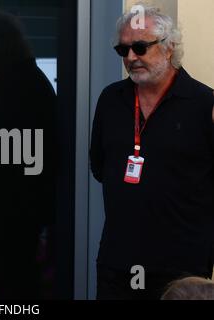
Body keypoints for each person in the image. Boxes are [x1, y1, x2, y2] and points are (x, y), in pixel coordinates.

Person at [90, 5, 214, 300]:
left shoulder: (203, 104)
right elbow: (99, 167)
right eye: (123, 49)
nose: (131, 58)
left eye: (141, 47)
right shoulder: (111, 99)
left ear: (169, 47)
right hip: (118, 262)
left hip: (182, 269)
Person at [0, 12, 56, 299]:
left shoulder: (19, 86)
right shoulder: (20, 81)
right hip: (13, 204)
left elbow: (6, 150)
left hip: (14, 207)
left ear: (0, 46)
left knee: (8, 278)